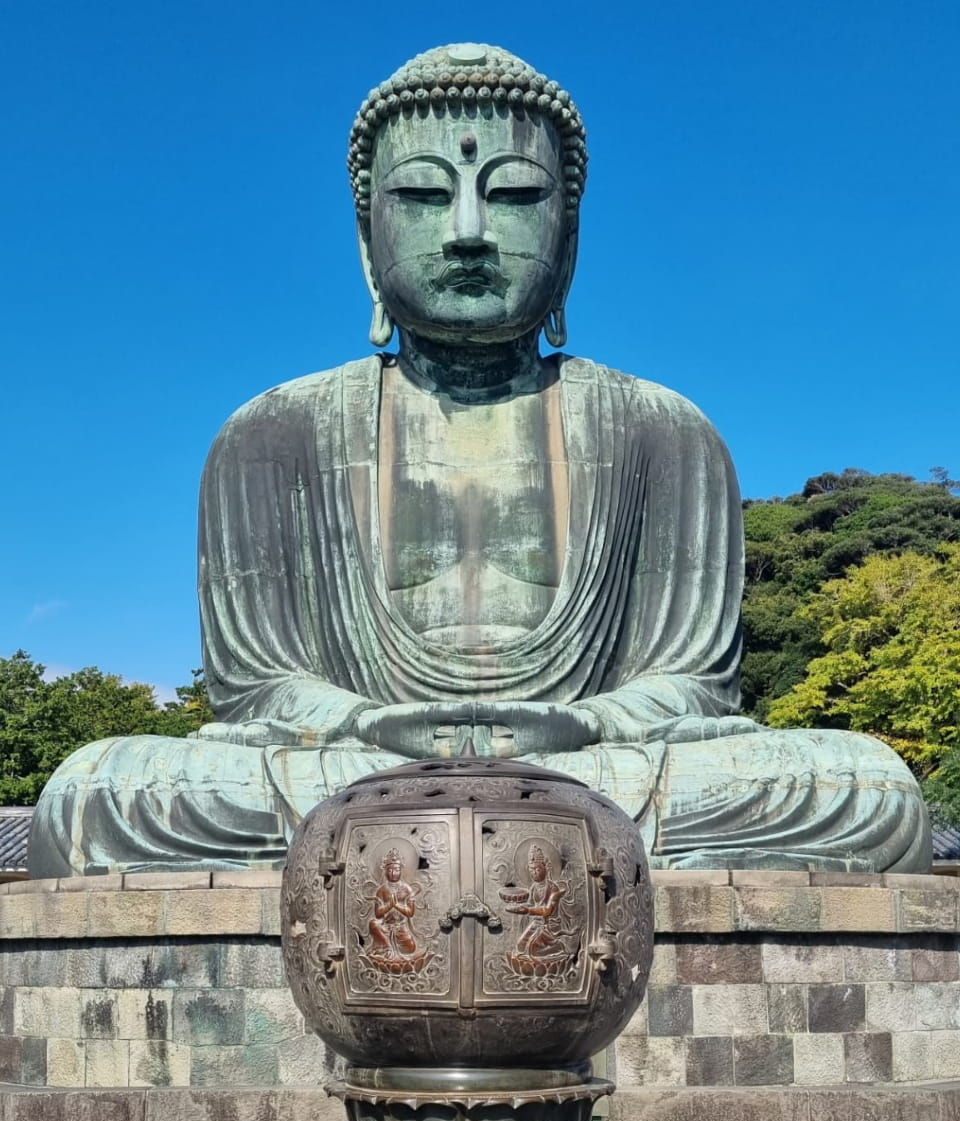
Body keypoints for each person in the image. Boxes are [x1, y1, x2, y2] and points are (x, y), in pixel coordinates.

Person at [28, 43, 931, 879]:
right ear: (365, 237)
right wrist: (360, 722)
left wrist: (587, 722)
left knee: (865, 787)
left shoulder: (665, 429)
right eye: (423, 197)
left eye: (513, 196)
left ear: (569, 235)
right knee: (98, 794)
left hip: (588, 761)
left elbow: (695, 682)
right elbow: (256, 687)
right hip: (361, 761)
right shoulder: (272, 434)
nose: (466, 231)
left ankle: (447, 836)